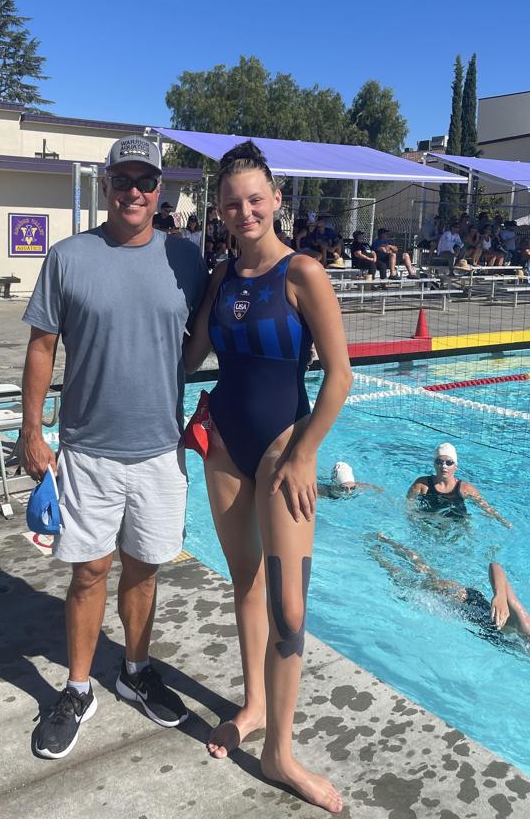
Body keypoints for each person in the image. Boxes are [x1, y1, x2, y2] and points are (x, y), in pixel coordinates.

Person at [22, 136, 208, 759]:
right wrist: (31, 429)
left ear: (161, 190)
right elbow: (42, 346)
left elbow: (207, 333)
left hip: (159, 447)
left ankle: (133, 671)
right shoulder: (69, 257)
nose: (134, 192)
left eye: (145, 181)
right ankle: (78, 688)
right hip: (87, 448)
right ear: (106, 186)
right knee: (89, 570)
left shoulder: (187, 259)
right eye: (123, 180)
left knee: (145, 567)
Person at [184, 140, 352, 814]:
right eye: (232, 202)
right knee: (244, 581)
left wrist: (307, 451)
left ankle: (280, 752)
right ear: (221, 211)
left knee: (290, 610)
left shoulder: (303, 273)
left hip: (286, 444)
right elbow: (189, 350)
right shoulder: (222, 278)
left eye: (256, 198)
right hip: (226, 441)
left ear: (277, 199)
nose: (244, 210)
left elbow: (340, 375)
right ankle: (254, 706)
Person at [370, 534, 530, 646]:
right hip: (462, 599)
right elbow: (496, 566)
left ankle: (381, 550)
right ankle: (381, 546)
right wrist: (500, 595)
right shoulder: (523, 625)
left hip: (460, 609)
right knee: (409, 577)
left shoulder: (523, 647)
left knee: (420, 573)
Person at [406, 443, 511, 528]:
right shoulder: (422, 484)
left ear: (455, 466)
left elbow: (485, 507)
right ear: (434, 464)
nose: (444, 466)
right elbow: (408, 504)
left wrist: (502, 520)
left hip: (457, 526)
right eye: (439, 461)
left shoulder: (465, 488)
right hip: (428, 524)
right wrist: (413, 518)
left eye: (449, 462)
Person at [317, 462, 383, 498]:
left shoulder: (356, 486)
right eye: (343, 488)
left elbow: (377, 488)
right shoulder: (321, 492)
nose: (349, 492)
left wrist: (376, 496)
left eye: (352, 488)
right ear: (334, 485)